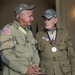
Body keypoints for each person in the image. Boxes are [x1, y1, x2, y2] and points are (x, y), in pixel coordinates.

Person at [0, 3, 41, 75]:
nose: (32, 18)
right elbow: (6, 55)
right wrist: (25, 70)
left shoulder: (29, 32)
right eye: (30, 16)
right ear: (21, 16)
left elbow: (35, 52)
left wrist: (35, 66)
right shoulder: (8, 30)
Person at [36, 9, 75, 75]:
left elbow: (71, 56)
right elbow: (36, 56)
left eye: (49, 19)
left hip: (63, 71)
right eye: (44, 19)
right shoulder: (39, 35)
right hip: (47, 71)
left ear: (55, 20)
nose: (46, 22)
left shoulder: (64, 33)